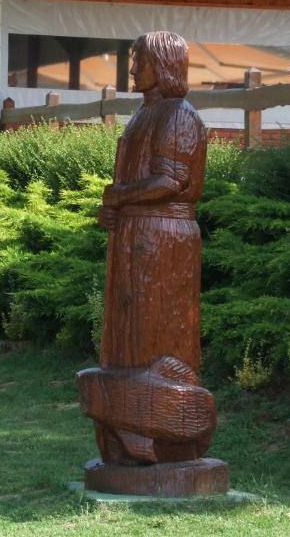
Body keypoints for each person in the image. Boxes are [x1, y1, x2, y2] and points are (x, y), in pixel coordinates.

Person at [85, 31, 213, 466]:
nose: (132, 68)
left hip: (164, 241)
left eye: (140, 59)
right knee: (125, 335)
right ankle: (123, 426)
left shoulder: (178, 115)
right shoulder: (144, 115)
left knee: (157, 333)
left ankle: (167, 429)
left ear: (165, 64)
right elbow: (135, 182)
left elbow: (171, 181)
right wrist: (115, 210)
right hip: (135, 238)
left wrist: (119, 197)